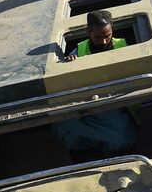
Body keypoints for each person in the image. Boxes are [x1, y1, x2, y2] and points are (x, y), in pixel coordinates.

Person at [55, 10, 135, 162]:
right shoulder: (79, 50)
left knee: (125, 137)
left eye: (107, 36)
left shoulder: (123, 45)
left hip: (115, 106)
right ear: (88, 32)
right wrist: (70, 63)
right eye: (98, 37)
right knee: (64, 125)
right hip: (88, 107)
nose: (104, 41)